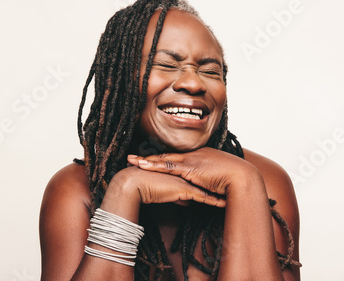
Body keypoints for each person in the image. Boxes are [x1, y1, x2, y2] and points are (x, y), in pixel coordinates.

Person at [39, 0, 301, 280]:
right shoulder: (75, 190)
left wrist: (244, 184)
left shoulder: (265, 180)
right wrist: (125, 191)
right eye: (166, 64)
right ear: (120, 80)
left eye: (211, 71)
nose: (194, 83)